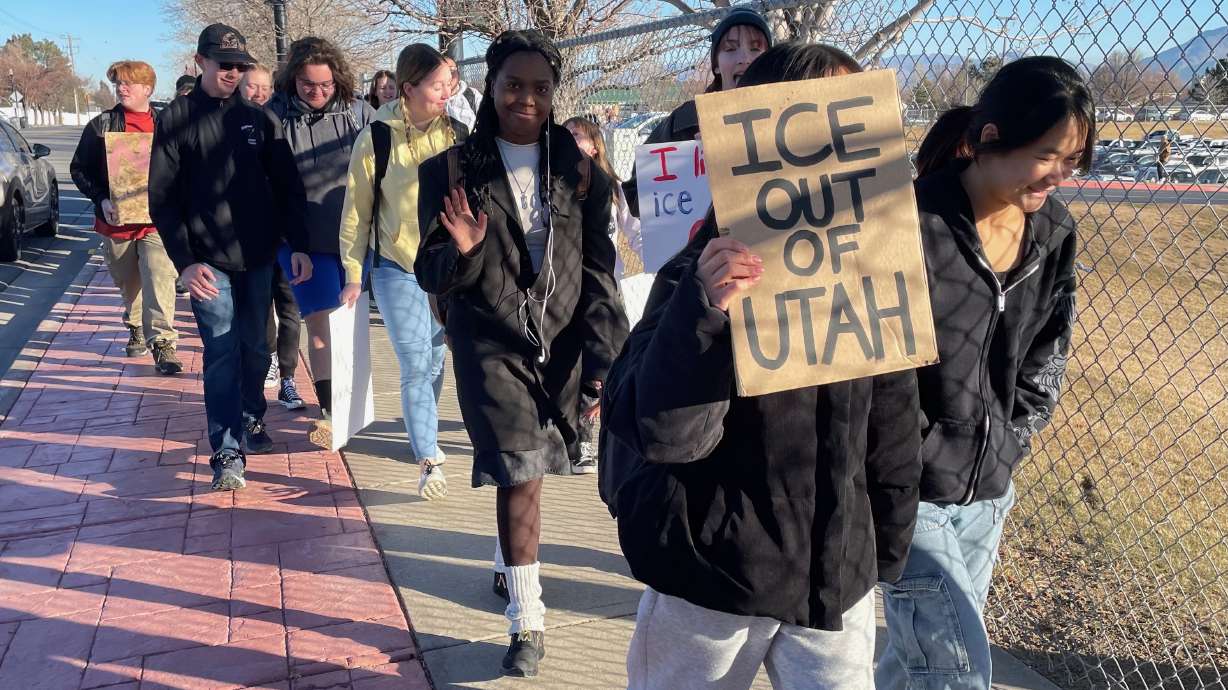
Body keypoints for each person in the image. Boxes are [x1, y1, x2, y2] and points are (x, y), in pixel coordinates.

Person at [600, 43, 921, 690]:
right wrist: (706, 314)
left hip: (835, 577)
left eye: (848, 128)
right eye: (811, 129)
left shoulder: (877, 272)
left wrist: (884, 542)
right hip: (712, 577)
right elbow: (663, 431)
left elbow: (893, 417)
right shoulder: (698, 269)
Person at [415, 30, 628, 677]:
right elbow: (430, 271)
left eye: (540, 87)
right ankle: (527, 624)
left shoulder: (580, 168)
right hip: (489, 345)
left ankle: (509, 565)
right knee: (520, 472)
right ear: (493, 87)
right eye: (514, 85)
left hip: (557, 345)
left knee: (529, 473)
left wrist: (602, 353)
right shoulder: (450, 170)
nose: (527, 99)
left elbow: (599, 264)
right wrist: (468, 251)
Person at [876, 56, 1092, 690]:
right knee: (957, 668)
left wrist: (1012, 437)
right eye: (1049, 154)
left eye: (1074, 160)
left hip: (987, 488)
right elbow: (871, 355)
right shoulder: (911, 219)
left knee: (916, 657)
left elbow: (1048, 349)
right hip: (906, 486)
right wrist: (897, 453)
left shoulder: (1053, 230)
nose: (1061, 174)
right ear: (992, 139)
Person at [149, 24, 311, 491]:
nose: (233, 73)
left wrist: (297, 243)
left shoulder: (259, 120)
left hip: (258, 257)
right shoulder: (177, 118)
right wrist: (184, 261)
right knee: (221, 352)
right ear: (201, 62)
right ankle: (227, 450)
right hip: (207, 264)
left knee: (256, 347)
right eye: (224, 65)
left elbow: (287, 187)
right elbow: (162, 198)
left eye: (239, 66)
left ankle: (251, 415)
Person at [338, 44, 466, 497]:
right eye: (436, 85)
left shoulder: (458, 132)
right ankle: (428, 458)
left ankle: (423, 430)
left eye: (448, 83)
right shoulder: (377, 136)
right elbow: (357, 210)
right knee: (415, 363)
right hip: (397, 266)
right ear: (408, 88)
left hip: (449, 266)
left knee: (436, 359)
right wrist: (354, 273)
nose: (445, 91)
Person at [270, 37, 375, 444]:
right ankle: (330, 407)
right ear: (293, 79)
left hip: (353, 237)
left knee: (350, 325)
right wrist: (290, 243)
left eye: (326, 85)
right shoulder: (274, 117)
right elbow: (271, 186)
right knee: (319, 325)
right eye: (308, 85)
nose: (317, 93)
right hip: (301, 241)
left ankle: (353, 404)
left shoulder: (358, 114)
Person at [70, 59, 183, 375]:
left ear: (147, 88)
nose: (122, 88)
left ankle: (163, 343)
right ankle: (134, 324)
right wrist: (101, 198)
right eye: (118, 82)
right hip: (116, 222)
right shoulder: (101, 126)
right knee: (129, 282)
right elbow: (78, 169)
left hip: (157, 222)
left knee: (159, 277)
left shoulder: (166, 124)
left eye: (128, 83)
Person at [622, 6, 771, 216]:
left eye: (755, 49)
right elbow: (638, 199)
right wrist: (689, 167)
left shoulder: (794, 119)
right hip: (702, 246)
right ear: (717, 65)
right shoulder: (687, 120)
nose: (744, 58)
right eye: (730, 49)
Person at [561, 115, 644, 473]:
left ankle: (587, 434)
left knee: (603, 364)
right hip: (565, 288)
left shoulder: (612, 188)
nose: (572, 142)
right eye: (566, 136)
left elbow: (636, 233)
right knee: (574, 363)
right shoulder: (557, 183)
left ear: (594, 144)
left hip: (606, 288)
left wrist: (666, 254)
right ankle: (575, 435)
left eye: (578, 136)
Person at [237, 63, 306, 410]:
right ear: (239, 86)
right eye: (252, 86)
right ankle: (268, 366)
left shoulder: (282, 122)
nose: (259, 93)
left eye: (265, 87)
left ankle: (290, 379)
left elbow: (293, 183)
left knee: (290, 309)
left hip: (287, 236)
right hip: (253, 242)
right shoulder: (231, 126)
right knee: (262, 311)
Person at [442, 54, 482, 130]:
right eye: (443, 72)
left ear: (458, 73)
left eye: (451, 70)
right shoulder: (431, 100)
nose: (448, 76)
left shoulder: (472, 95)